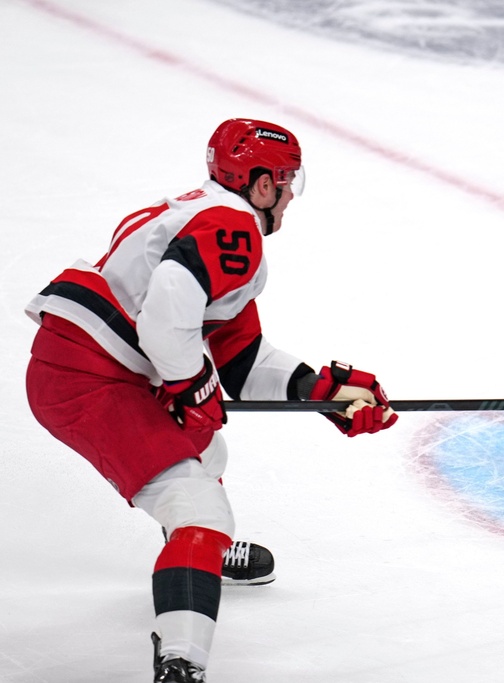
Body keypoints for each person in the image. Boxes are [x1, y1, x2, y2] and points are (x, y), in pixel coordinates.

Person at [24, 118, 398, 682]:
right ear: (262, 184)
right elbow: (168, 312)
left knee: (206, 454)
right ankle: (182, 660)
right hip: (88, 379)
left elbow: (241, 357)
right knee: (198, 507)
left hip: (94, 366)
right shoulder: (232, 229)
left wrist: (322, 393)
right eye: (287, 179)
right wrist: (189, 386)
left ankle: (202, 553)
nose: (292, 193)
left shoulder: (206, 214)